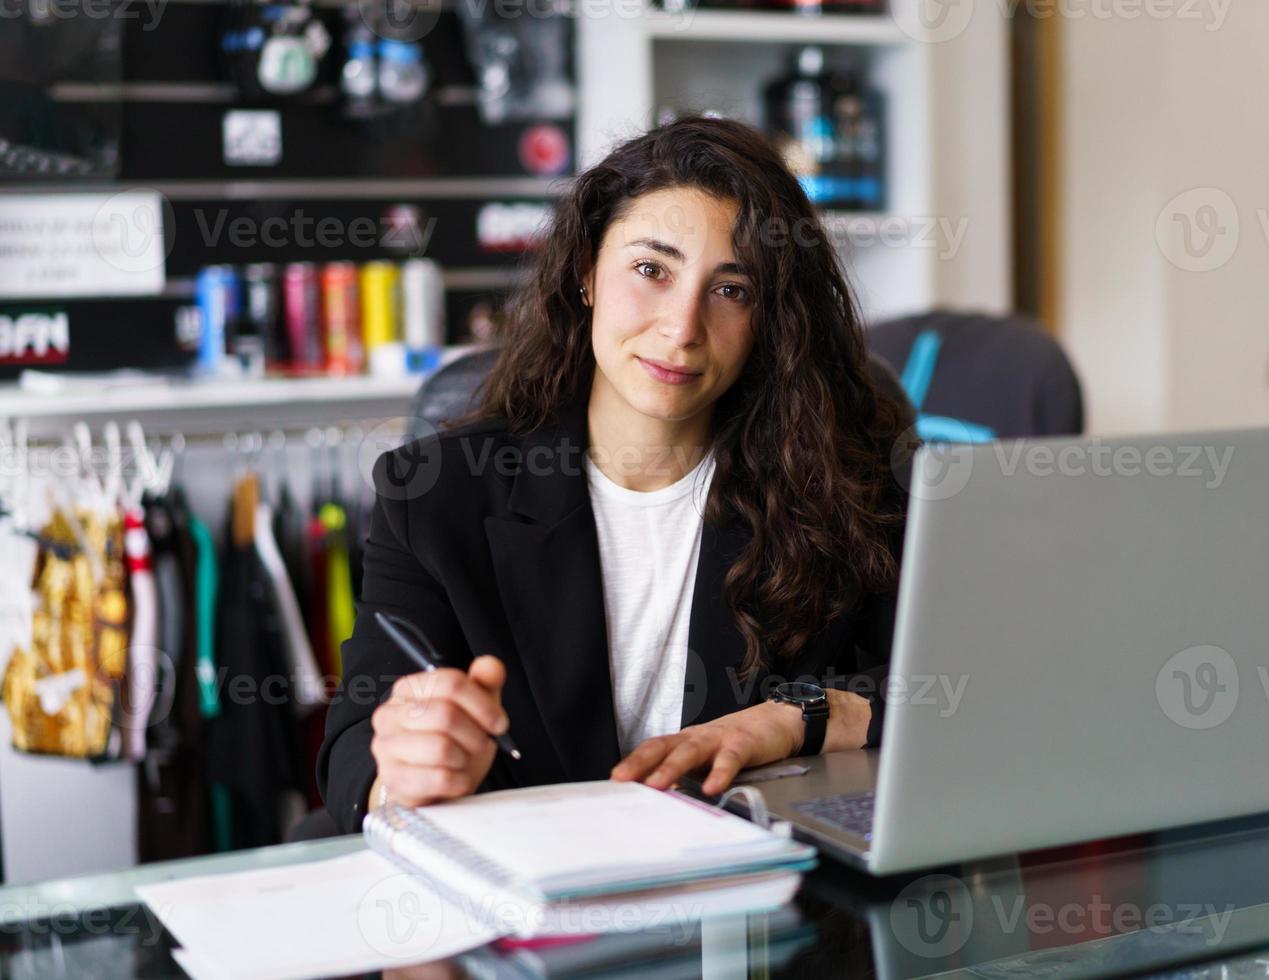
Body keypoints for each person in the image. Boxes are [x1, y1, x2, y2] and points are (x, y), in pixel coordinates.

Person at [317, 115, 913, 833]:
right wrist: (401, 773)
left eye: (731, 290)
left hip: (752, 915)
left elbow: (951, 690)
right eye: (651, 270)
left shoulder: (843, 483)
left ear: (771, 322)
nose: (681, 327)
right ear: (586, 275)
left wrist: (798, 718)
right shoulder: (436, 492)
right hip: (525, 907)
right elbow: (353, 751)